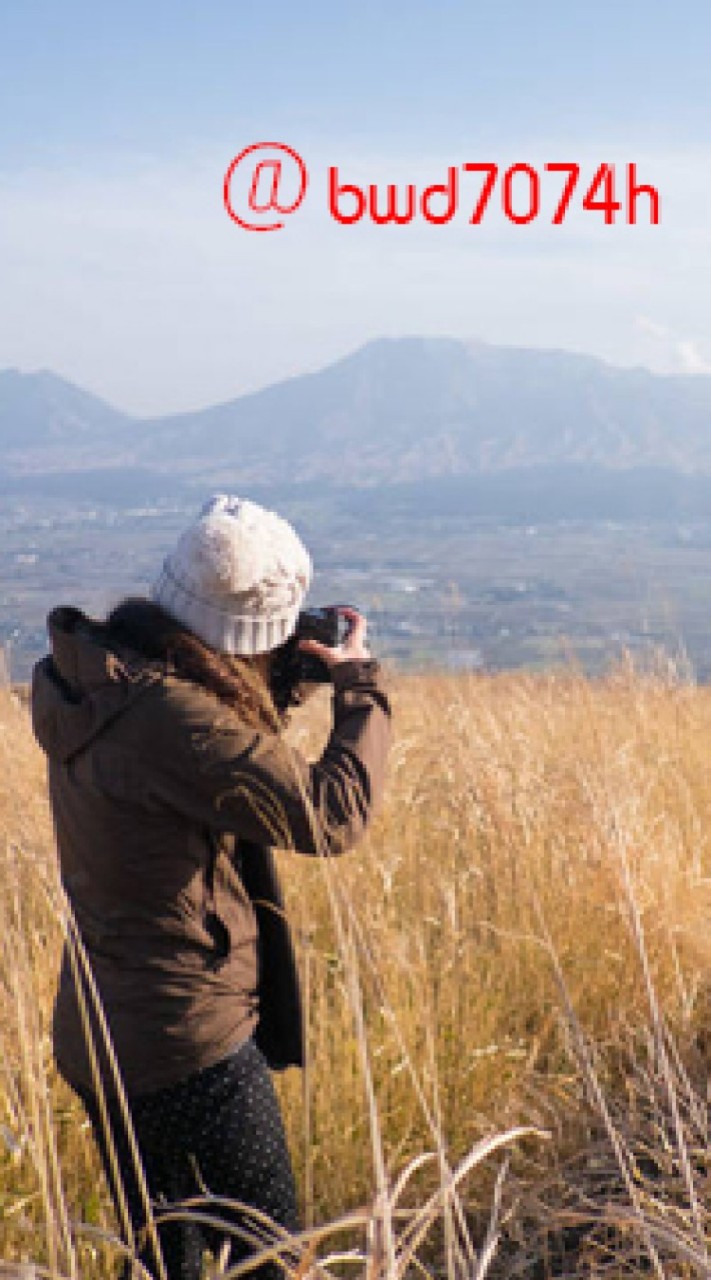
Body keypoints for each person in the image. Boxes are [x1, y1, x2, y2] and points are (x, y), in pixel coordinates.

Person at [31, 494, 391, 1280]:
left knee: (166, 1260)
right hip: (187, 1045)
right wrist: (359, 685)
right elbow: (331, 815)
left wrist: (283, 686)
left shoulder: (103, 679)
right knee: (267, 1261)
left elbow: (211, 774)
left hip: (101, 1029)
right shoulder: (171, 719)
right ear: (250, 636)